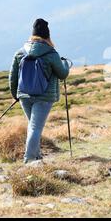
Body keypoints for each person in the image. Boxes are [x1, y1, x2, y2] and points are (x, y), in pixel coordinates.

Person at [9, 19, 70, 163]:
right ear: (47, 36)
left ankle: (36, 156)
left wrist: (16, 95)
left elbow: (12, 77)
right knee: (35, 128)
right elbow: (62, 74)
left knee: (32, 126)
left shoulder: (20, 52)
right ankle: (29, 159)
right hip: (44, 97)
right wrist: (65, 64)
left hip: (24, 95)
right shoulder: (51, 53)